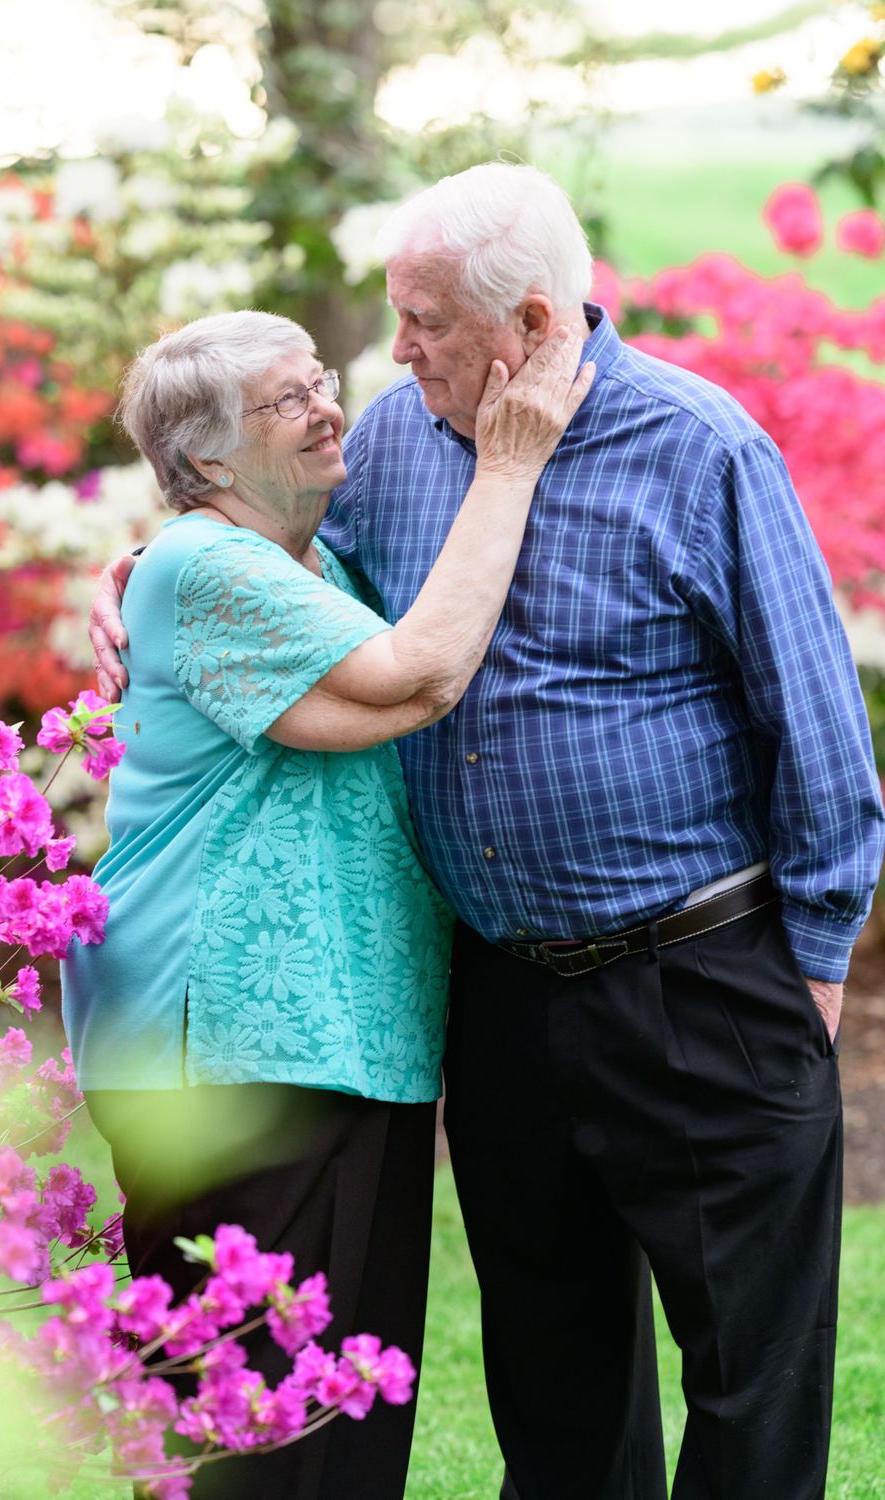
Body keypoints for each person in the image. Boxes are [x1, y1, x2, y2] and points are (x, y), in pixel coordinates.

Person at [91, 165, 885, 1500]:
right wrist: (131, 573)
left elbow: (822, 738)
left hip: (702, 976)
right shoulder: (395, 445)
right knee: (554, 1391)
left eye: (426, 323)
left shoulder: (703, 449)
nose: (392, 356)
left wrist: (802, 977)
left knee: (754, 1381)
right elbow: (235, 543)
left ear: (525, 322)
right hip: (504, 999)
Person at [65, 304, 592, 1500]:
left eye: (320, 380)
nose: (327, 408)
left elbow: (373, 702)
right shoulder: (208, 564)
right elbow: (419, 676)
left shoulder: (306, 564)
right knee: (256, 1424)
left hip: (333, 1031)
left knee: (330, 1418)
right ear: (205, 460)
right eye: (287, 399)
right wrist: (510, 462)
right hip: (232, 1043)